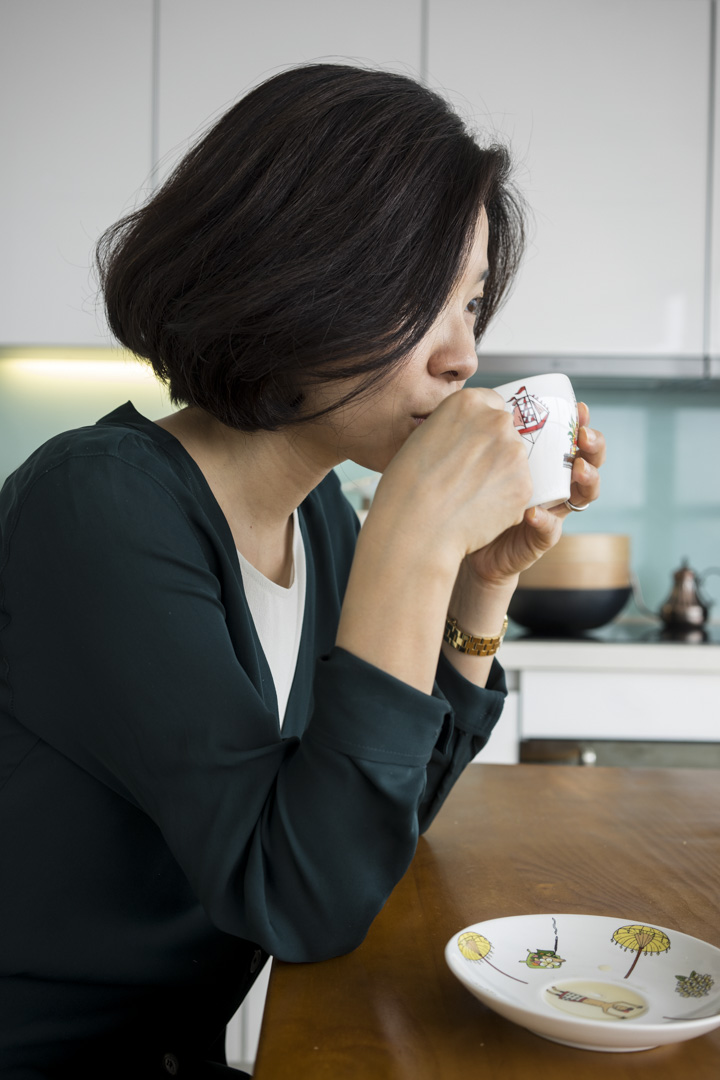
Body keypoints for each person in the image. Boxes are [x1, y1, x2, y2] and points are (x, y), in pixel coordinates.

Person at [0, 64, 605, 1077]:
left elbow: (374, 827)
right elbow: (301, 897)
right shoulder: (97, 505)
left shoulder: (319, 517)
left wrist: (479, 578)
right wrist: (411, 541)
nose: (463, 357)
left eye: (473, 306)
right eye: (428, 299)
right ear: (294, 271)